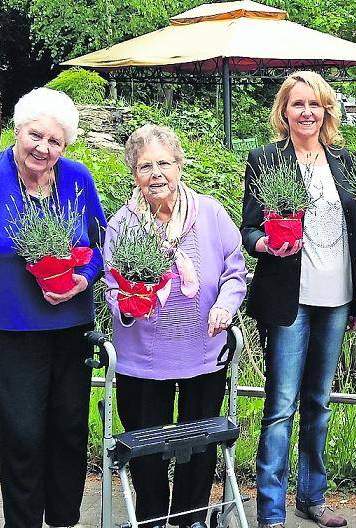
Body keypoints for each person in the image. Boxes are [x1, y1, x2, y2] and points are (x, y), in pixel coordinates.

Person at [0, 87, 107, 528]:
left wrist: (83, 277)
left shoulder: (77, 178)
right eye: (35, 135)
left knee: (69, 430)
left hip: (71, 324)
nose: (44, 148)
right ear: (17, 130)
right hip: (6, 328)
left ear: (66, 145)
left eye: (55, 141)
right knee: (22, 434)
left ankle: (63, 521)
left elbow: (99, 247)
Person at [101, 124, 247, 528]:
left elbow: (235, 270)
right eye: (145, 166)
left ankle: (191, 518)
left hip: (203, 350)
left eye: (164, 163)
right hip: (143, 360)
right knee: (147, 446)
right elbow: (113, 289)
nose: (156, 173)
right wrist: (130, 307)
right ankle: (149, 519)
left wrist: (224, 304)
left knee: (200, 446)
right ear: (134, 174)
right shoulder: (123, 225)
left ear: (180, 166)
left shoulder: (211, 213)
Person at [241, 71, 356, 528]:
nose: (307, 113)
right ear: (284, 111)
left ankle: (312, 498)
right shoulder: (266, 159)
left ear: (326, 110)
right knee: (280, 406)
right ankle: (270, 511)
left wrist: (355, 303)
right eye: (298, 105)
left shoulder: (344, 161)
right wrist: (265, 245)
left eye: (315, 104)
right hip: (288, 300)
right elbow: (248, 227)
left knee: (319, 402)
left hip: (336, 297)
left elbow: (355, 233)